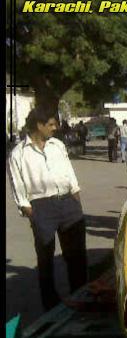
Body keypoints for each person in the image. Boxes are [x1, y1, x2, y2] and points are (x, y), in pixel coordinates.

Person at [7, 107, 88, 311]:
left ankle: (82, 297)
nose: (55, 128)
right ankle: (50, 307)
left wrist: (75, 200)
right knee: (46, 261)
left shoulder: (57, 145)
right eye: (51, 124)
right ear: (39, 126)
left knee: (76, 256)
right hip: (41, 208)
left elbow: (70, 174)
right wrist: (33, 214)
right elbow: (19, 191)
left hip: (68, 204)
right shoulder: (18, 154)